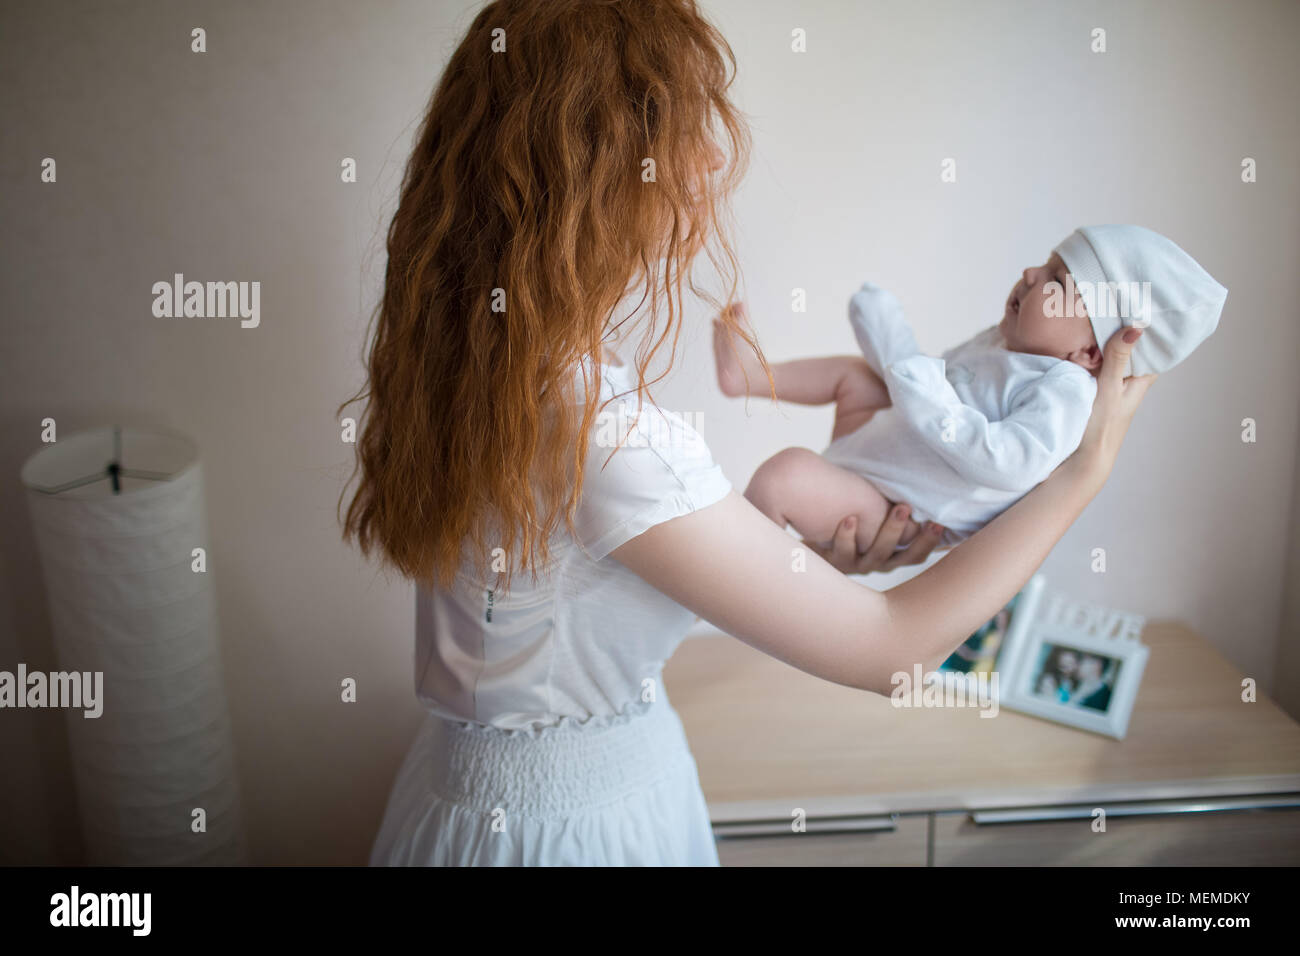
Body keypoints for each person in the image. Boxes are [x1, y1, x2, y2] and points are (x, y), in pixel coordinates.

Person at [337, 0, 1156, 866]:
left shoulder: (490, 366)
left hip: (465, 801)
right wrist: (1084, 473)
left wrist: (792, 562)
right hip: (570, 834)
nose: (715, 159)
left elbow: (576, 615)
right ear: (601, 167)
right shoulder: (602, 433)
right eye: (689, 125)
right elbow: (894, 655)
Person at [714, 225, 1225, 553]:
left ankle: (736, 572)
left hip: (895, 506)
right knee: (856, 374)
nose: (1030, 273)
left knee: (786, 474)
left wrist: (918, 382)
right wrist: (888, 337)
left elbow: (1007, 461)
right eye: (1044, 261)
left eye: (1057, 280)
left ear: (1091, 354)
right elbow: (922, 378)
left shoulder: (1064, 392)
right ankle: (747, 377)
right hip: (880, 445)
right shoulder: (1005, 342)